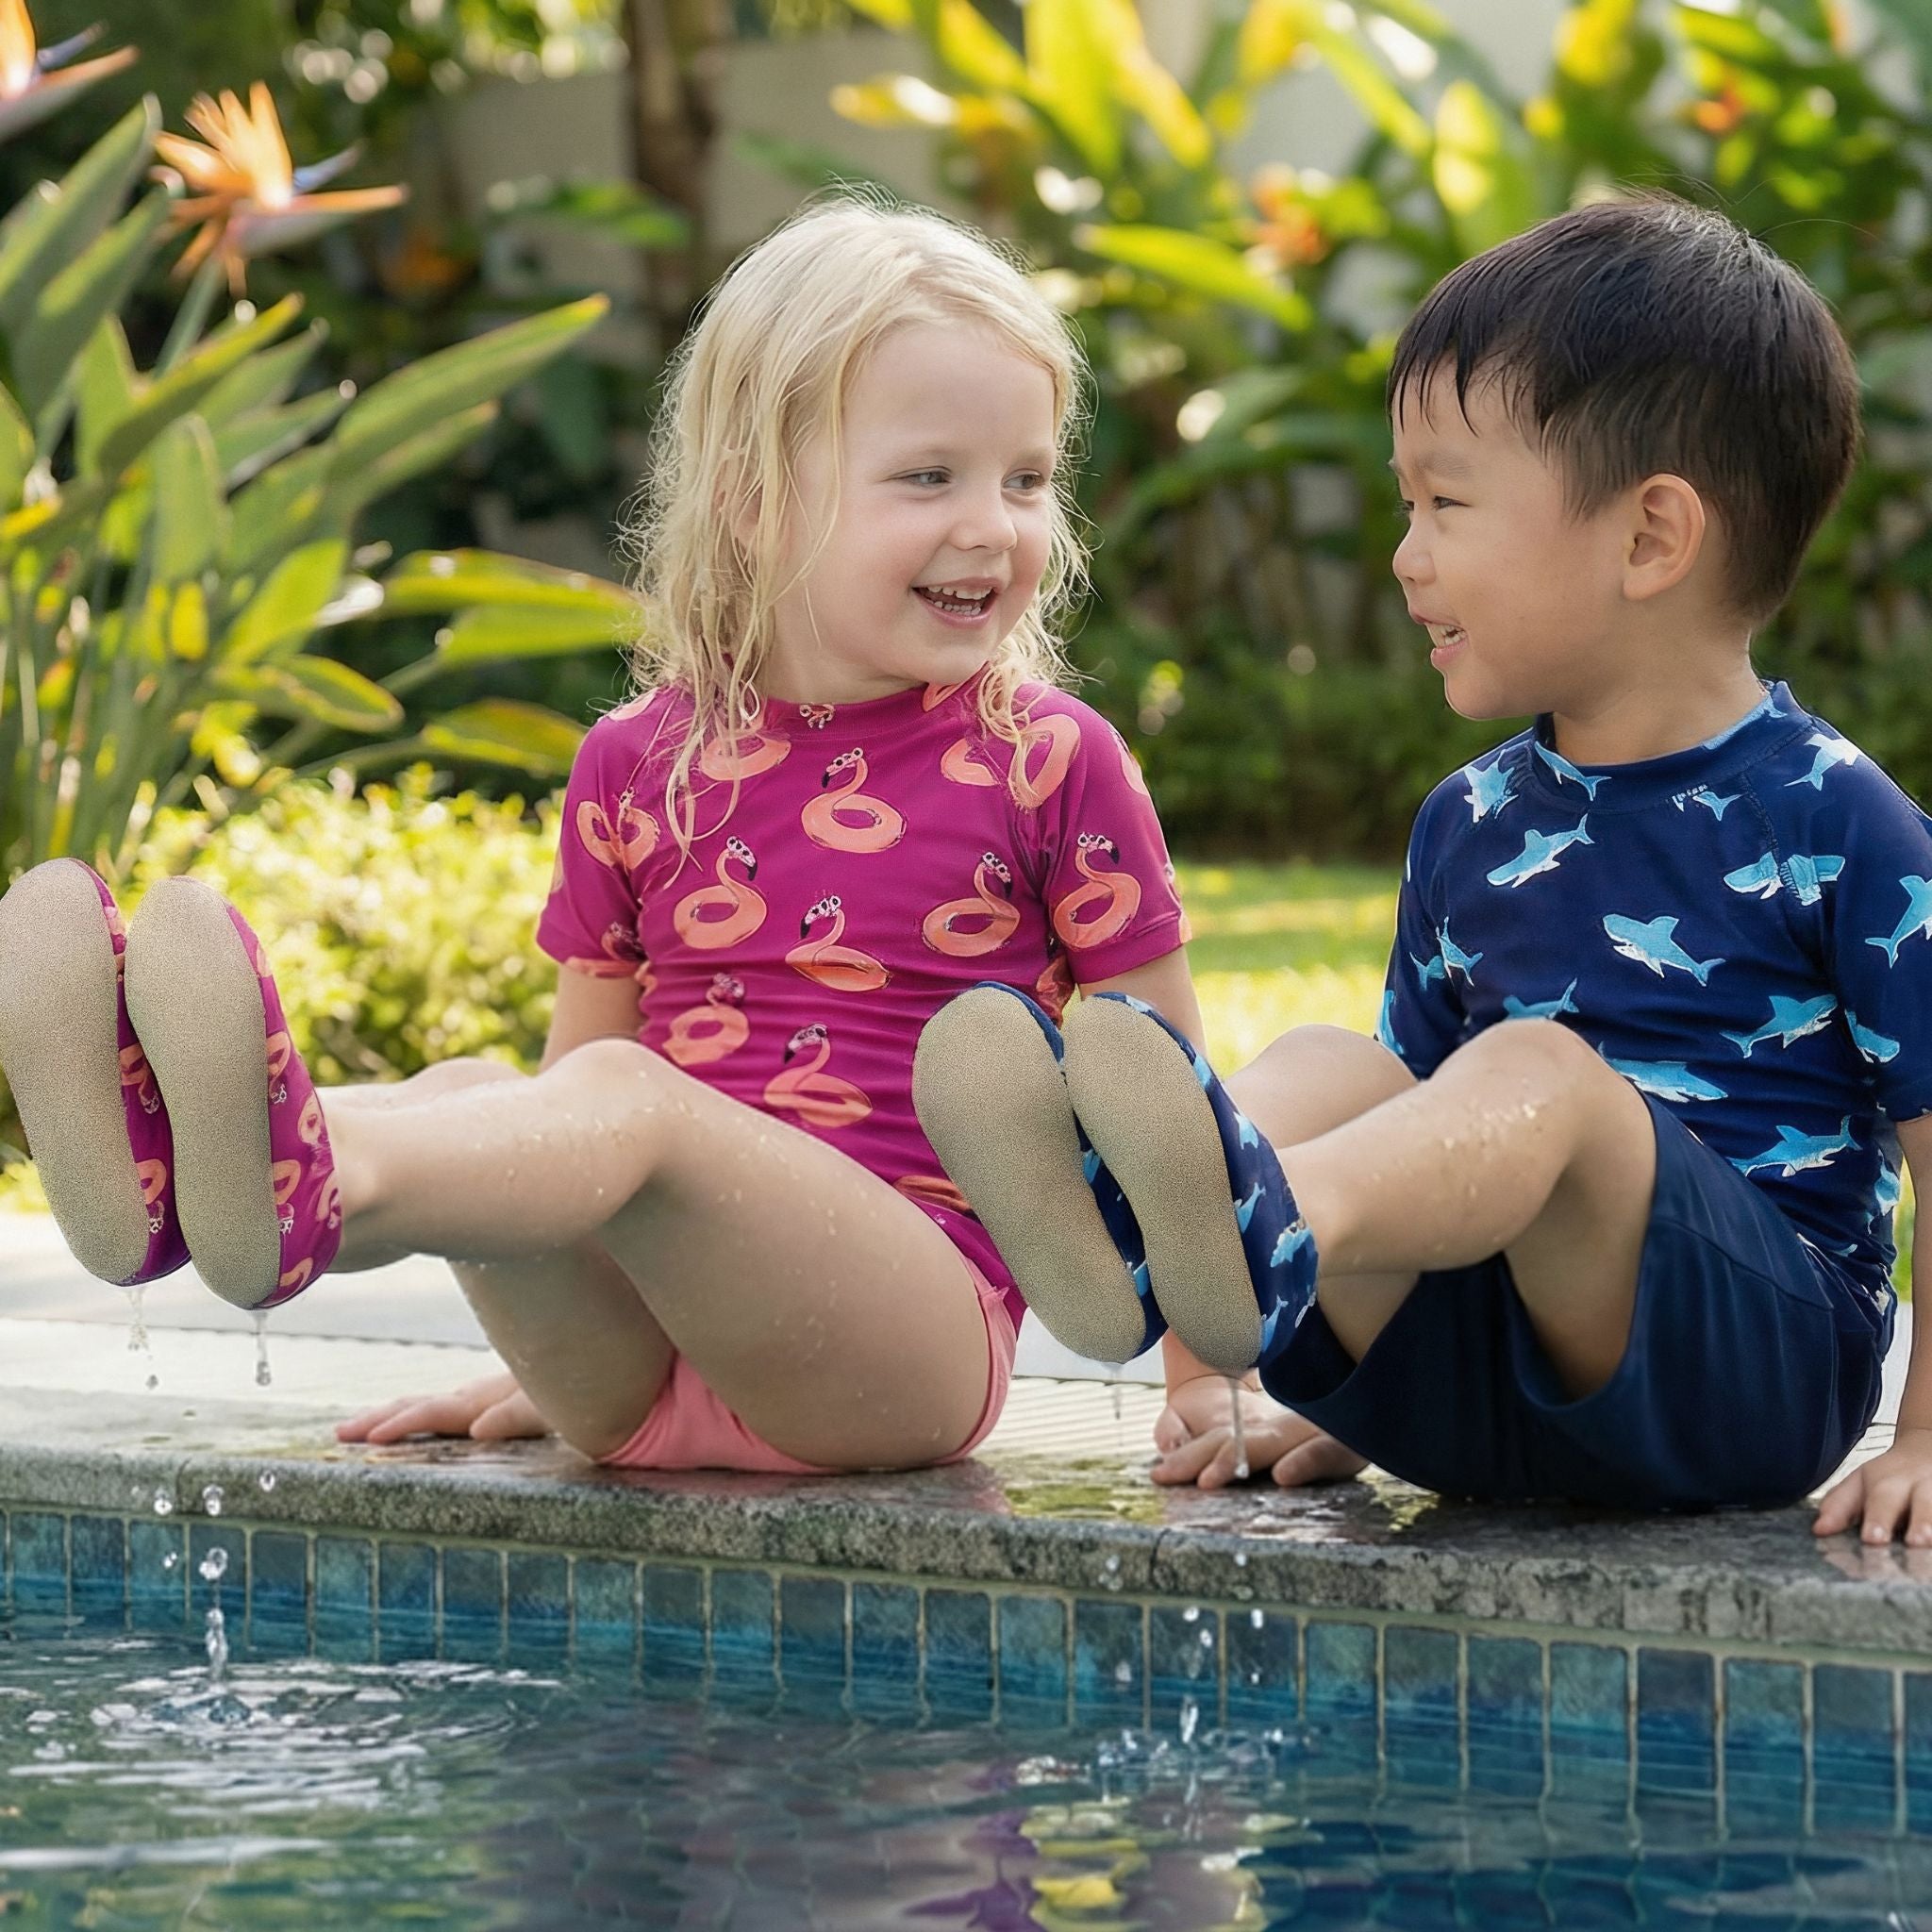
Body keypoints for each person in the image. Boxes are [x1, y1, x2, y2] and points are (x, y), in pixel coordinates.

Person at [0, 196, 1197, 1477]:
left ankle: (258, 1171)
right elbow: (569, 1101)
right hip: (637, 1380)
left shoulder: (1047, 760)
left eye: (1025, 480)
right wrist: (537, 1349)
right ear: (751, 501)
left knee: (628, 1106)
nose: (993, 525)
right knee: (483, 1093)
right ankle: (181, 1178)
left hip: (902, 1352)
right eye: (929, 477)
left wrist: (1209, 1382)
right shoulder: (639, 764)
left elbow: (1166, 1088)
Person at [917, 194, 1932, 1541]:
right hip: (1482, 1400)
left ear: (1649, 538)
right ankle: (1141, 1216)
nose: (1405, 559)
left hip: (1742, 1388)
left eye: (1445, 503)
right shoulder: (1472, 821)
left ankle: (1246, 1225)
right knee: (1349, 1067)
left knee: (1535, 1079)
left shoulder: (1836, 819)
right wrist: (1338, 1412)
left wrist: (1926, 1438)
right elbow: (1421, 1129)